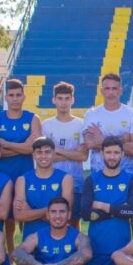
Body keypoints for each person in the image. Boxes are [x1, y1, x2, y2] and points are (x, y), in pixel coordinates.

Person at [80, 136, 133, 265]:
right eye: (108, 152)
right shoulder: (91, 180)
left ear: (122, 154)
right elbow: (85, 213)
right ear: (102, 153)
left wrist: (103, 206)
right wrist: (119, 209)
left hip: (123, 250)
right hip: (98, 249)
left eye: (116, 152)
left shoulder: (131, 180)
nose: (112, 156)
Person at [82, 73, 133, 237]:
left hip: (127, 172)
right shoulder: (92, 114)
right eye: (107, 88)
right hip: (99, 173)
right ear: (101, 90)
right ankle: (100, 243)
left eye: (114, 88)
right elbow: (90, 143)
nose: (110, 92)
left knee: (130, 214)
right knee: (99, 211)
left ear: (121, 90)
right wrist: (124, 138)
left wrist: (103, 138)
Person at [0, 78, 42, 245]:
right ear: (6, 98)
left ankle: (26, 249)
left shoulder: (33, 118)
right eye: (11, 95)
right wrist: (22, 146)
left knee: (24, 213)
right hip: (3, 175)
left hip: (26, 175)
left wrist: (6, 144)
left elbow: (34, 149)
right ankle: (10, 251)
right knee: (7, 218)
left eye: (18, 95)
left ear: (24, 97)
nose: (15, 99)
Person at [42, 81, 89, 229]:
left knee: (73, 220)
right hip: (52, 180)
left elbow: (83, 156)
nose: (63, 102)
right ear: (54, 100)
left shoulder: (81, 124)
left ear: (72, 100)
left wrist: (57, 150)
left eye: (67, 98)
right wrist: (73, 153)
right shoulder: (46, 125)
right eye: (60, 98)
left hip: (76, 181)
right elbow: (45, 158)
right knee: (52, 219)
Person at [13, 137, 73, 241]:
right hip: (30, 240)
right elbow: (19, 215)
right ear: (33, 155)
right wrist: (53, 212)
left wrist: (30, 211)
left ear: (54, 154)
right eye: (39, 152)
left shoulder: (66, 179)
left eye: (47, 152)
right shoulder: (22, 180)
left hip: (58, 241)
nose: (43, 156)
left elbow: (65, 214)